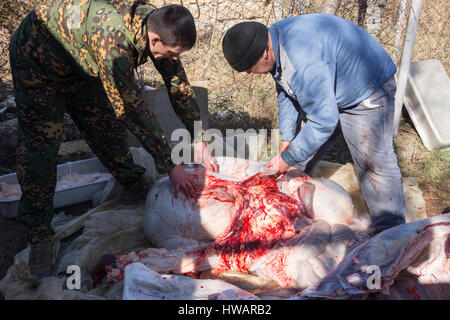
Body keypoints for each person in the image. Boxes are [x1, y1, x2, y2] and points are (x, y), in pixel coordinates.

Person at [9, 0, 217, 280]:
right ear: (154, 40)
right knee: (41, 149)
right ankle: (39, 236)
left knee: (106, 129)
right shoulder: (115, 43)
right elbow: (133, 110)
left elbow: (178, 86)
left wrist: (199, 137)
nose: (174, 60)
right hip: (38, 61)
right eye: (170, 54)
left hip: (83, 63)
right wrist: (171, 166)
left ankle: (132, 183)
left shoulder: (160, 26)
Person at [222, 14, 406, 235]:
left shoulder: (303, 62)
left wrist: (287, 158)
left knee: (374, 164)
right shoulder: (273, 40)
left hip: (366, 86)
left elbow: (323, 122)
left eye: (249, 68)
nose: (249, 73)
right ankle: (290, 208)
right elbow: (285, 89)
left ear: (263, 54)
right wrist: (287, 139)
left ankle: (392, 236)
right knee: (296, 155)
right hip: (330, 82)